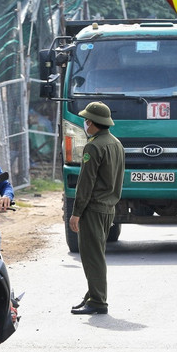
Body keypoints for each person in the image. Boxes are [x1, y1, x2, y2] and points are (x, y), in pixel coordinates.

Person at [68, 102, 124, 315]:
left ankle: (98, 301)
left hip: (93, 209)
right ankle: (92, 294)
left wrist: (76, 212)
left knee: (92, 256)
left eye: (87, 121)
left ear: (93, 123)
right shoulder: (116, 143)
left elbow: (86, 182)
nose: (85, 123)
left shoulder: (94, 146)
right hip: (108, 208)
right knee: (96, 253)